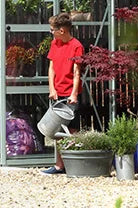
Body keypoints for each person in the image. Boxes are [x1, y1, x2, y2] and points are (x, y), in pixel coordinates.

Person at [40, 14, 86, 174]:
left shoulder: (76, 46)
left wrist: (74, 94)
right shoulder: (55, 43)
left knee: (72, 131)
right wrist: (52, 89)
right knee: (58, 130)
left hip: (70, 94)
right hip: (57, 93)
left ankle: (75, 163)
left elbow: (77, 72)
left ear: (62, 30)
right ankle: (59, 165)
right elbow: (51, 68)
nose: (51, 32)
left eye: (52, 30)